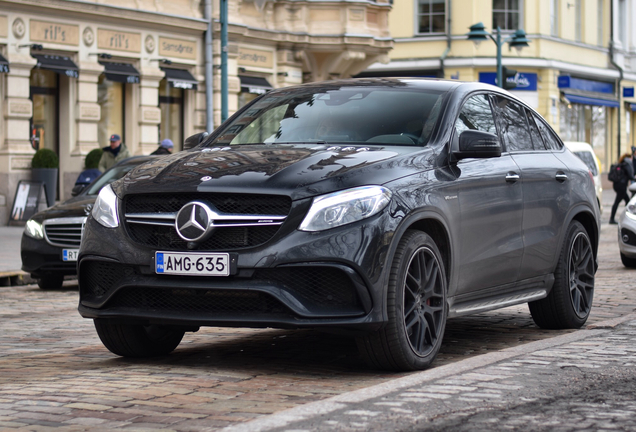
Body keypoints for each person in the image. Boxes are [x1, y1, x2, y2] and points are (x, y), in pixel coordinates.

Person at [609, 152, 636, 224]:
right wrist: (634, 178)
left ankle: (627, 218)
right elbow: (630, 176)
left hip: (618, 185)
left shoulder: (621, 163)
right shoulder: (627, 164)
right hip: (622, 186)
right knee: (618, 202)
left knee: (627, 202)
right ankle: (612, 219)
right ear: (629, 157)